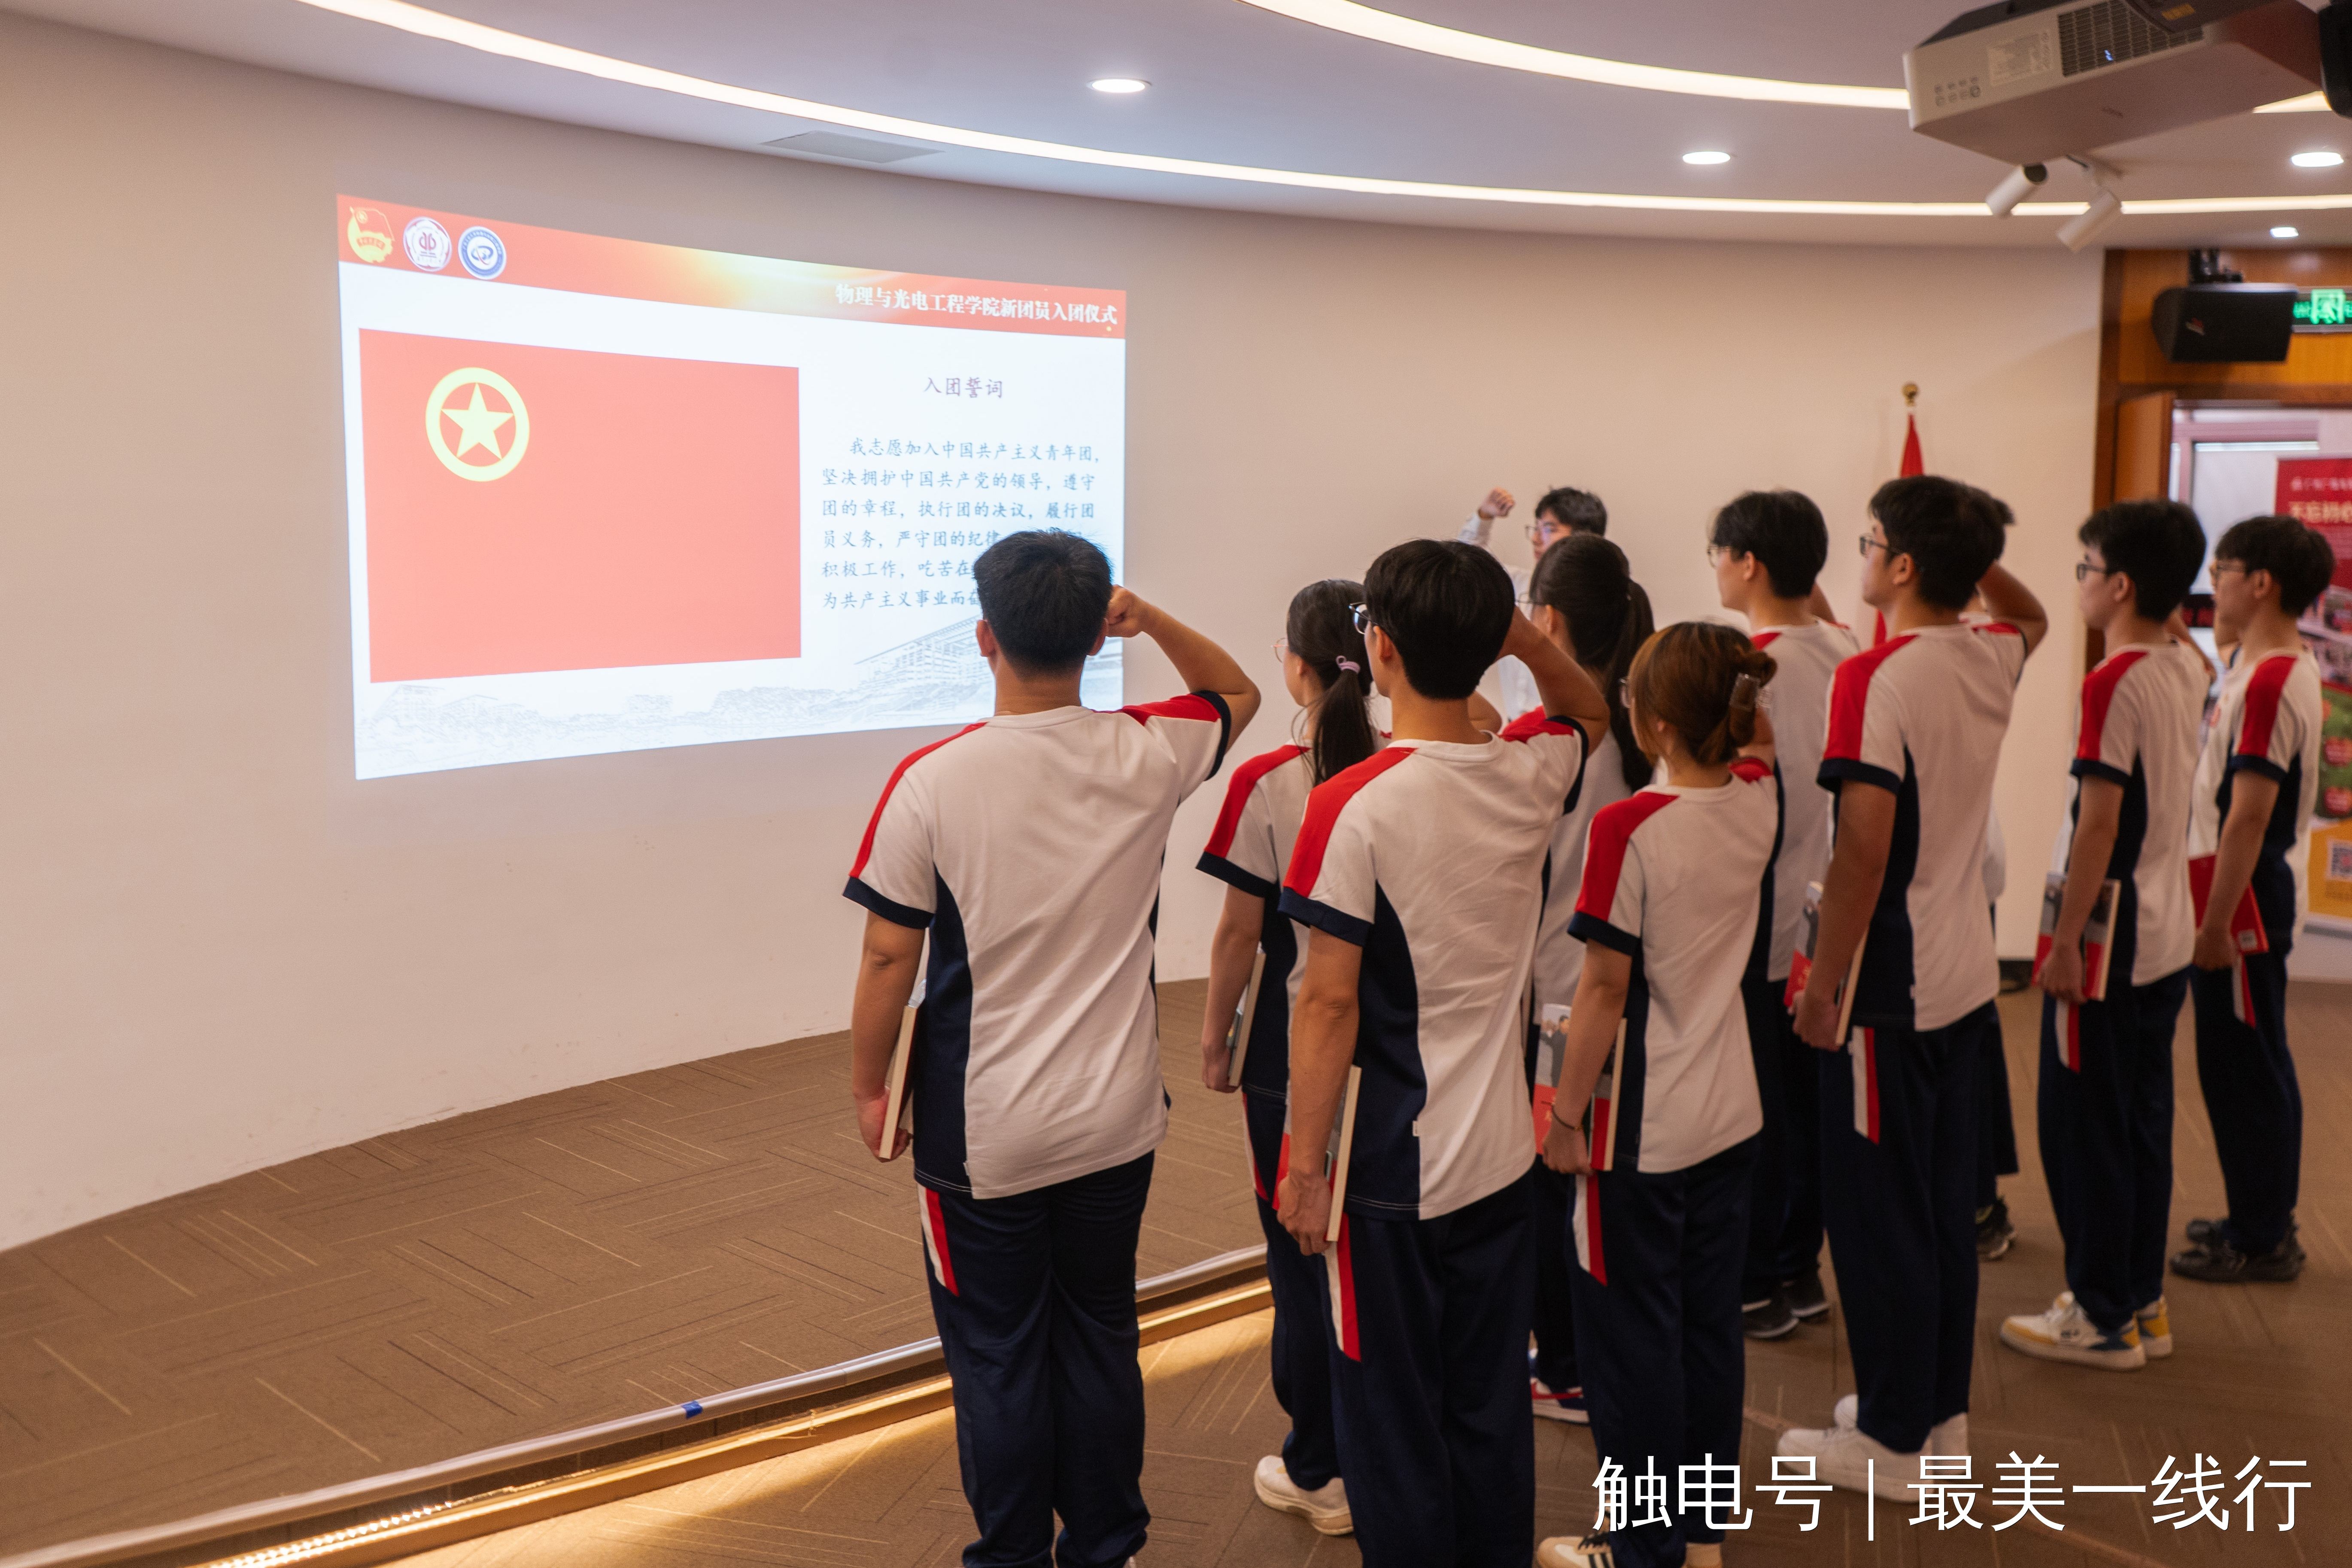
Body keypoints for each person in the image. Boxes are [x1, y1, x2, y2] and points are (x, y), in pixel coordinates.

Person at [842, 529, 1261, 1568]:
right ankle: (1108, 1541)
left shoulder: (931, 779)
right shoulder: (1148, 748)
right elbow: (1235, 692)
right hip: (1117, 1117)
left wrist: (867, 1085)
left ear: (984, 636)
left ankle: (1014, 1553)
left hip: (986, 1134)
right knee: (1100, 1332)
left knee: (999, 1352)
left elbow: (890, 955)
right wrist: (1149, 616)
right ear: (1097, 636)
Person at [1276, 539, 1609, 1568]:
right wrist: (1514, 637)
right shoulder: (1531, 769)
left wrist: (1303, 1165)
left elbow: (1326, 1001)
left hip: (1388, 1173)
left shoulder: (1350, 801)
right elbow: (1587, 708)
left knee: (1389, 1417)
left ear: (1380, 648)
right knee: (1484, 1403)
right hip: (1499, 1156)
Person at [1779, 475, 2048, 1499]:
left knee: (1877, 1216)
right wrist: (1967, 546)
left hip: (1886, 989)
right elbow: (2029, 613)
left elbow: (1862, 851)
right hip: (1964, 972)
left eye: (1871, 541)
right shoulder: (1992, 650)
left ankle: (1893, 1440)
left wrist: (1823, 987)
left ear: (1900, 564)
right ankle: (1937, 1416)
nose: (1860, 555)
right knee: (1937, 1207)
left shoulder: (1875, 675)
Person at [1533, 623, 1782, 1568]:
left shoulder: (1627, 826)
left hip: (1639, 1132)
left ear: (1659, 722)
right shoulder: (1758, 796)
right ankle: (1698, 1534)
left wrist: (1564, 1117)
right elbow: (1756, 746)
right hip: (1731, 1111)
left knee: (1629, 1345)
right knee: (1709, 1329)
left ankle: (1642, 1549)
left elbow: (1602, 989)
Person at [2003, 498, 2209, 1369]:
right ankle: (2139, 1296)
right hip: (2165, 929)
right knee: (2140, 1120)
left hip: (2110, 938)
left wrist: (2061, 944)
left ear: (2121, 585)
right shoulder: (2184, 663)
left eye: (2085, 568)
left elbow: (2098, 823)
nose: (2079, 584)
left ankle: (2099, 1313)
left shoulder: (2111, 681)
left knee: (2083, 1126)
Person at [1195, 579, 1382, 1537]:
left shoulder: (1268, 777)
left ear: (1296, 666)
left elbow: (1239, 933)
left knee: (1299, 1255)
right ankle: (1384, 1450)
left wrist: (1214, 1035)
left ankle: (1320, 1464)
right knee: (1374, 1251)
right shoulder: (1405, 765)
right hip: (1391, 1048)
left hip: (1291, 1051)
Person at [1705, 490, 1858, 1340]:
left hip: (1760, 916)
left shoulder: (1745, 666)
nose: (1715, 568)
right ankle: (1799, 1268)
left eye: (1718, 552)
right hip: (1825, 910)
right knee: (1807, 1105)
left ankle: (1759, 1279)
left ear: (1747, 562)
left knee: (1757, 1107)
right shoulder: (1845, 647)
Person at [1513, 535, 1657, 1426]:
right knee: (1588, 1188)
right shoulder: (1644, 729)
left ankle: (1567, 1366)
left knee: (1555, 1188)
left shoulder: (1564, 742)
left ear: (1549, 620)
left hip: (1560, 999)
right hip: (1617, 989)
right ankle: (1574, 1358)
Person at [2172, 514, 2336, 1284]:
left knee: (2245, 1068)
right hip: (2240, 889)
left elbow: (2246, 816)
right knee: (2244, 1058)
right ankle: (2258, 1213)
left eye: (2222, 571)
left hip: (2240, 899)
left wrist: (2213, 925)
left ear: (2260, 583)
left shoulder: (2271, 680)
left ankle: (2263, 1233)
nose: (2214, 587)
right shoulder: (2259, 665)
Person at [1460, 485, 1611, 715]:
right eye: (1536, 528)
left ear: (1583, 538)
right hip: (1517, 724)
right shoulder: (1517, 584)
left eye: (1549, 529)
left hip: (1569, 723)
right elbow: (1466, 567)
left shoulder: (1598, 599)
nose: (1536, 539)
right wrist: (1484, 516)